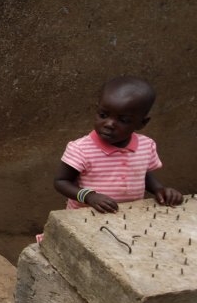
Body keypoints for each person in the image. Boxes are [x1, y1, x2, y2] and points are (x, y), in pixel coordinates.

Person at [53, 76, 182, 212]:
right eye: (103, 115)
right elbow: (61, 182)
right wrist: (89, 197)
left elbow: (142, 173)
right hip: (87, 217)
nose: (109, 124)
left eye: (123, 120)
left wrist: (159, 189)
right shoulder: (80, 149)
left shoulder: (146, 145)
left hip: (126, 218)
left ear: (142, 123)